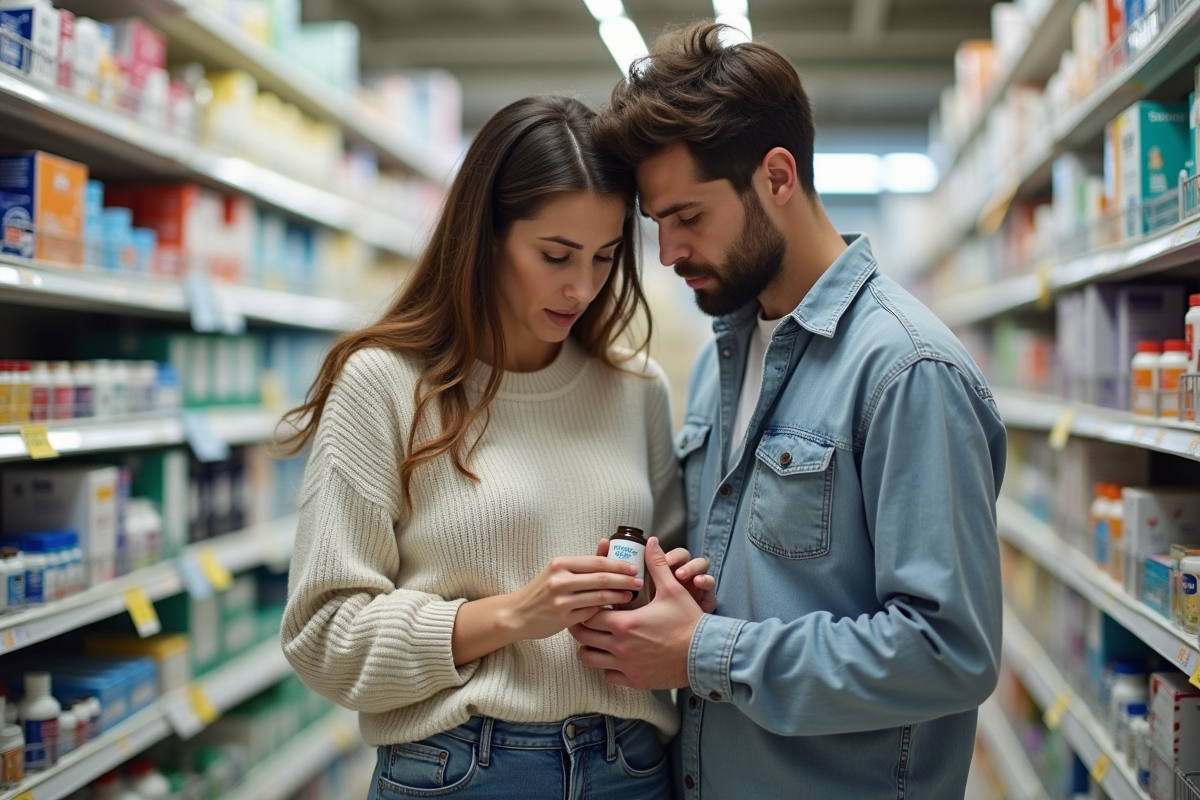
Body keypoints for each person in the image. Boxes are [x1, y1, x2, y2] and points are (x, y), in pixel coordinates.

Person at [569, 22, 1007, 799]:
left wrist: (705, 650)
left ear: (777, 177)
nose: (667, 253)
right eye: (657, 224)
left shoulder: (907, 370)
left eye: (689, 217)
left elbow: (948, 652)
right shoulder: (722, 357)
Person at [278, 95, 714, 800]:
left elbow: (656, 593)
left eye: (605, 257)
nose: (582, 286)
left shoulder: (636, 389)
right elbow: (322, 636)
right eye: (554, 255)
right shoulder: (386, 384)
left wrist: (671, 599)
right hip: (461, 770)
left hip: (630, 767)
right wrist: (511, 616)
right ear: (485, 237)